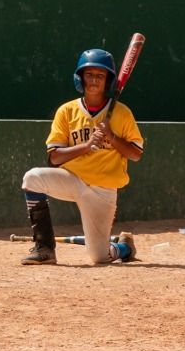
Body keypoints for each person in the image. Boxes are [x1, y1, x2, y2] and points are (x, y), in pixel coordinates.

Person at [19, 49, 141, 266]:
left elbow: (135, 155)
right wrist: (86, 146)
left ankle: (123, 247)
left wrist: (111, 136)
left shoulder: (122, 113)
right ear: (80, 78)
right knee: (32, 178)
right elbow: (54, 158)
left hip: (102, 190)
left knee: (99, 257)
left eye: (100, 76)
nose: (94, 80)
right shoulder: (66, 111)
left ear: (108, 81)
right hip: (72, 180)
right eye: (89, 74)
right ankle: (44, 248)